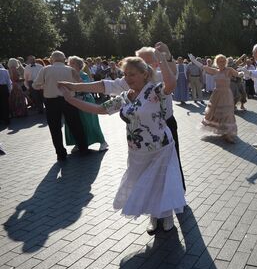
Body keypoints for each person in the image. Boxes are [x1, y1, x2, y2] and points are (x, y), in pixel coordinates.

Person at [60, 54, 185, 233]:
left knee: (161, 181)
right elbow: (99, 109)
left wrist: (163, 59)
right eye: (125, 74)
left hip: (160, 147)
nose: (128, 78)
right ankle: (153, 215)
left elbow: (171, 84)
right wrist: (70, 99)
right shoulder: (125, 97)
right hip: (136, 150)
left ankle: (166, 214)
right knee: (143, 183)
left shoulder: (155, 90)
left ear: (144, 74)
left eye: (132, 74)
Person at [33, 51, 89, 161]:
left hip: (51, 101)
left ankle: (61, 153)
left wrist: (44, 86)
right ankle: (83, 148)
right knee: (76, 124)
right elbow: (80, 83)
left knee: (55, 128)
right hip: (68, 99)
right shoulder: (70, 69)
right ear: (63, 59)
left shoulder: (45, 69)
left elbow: (35, 85)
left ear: (52, 59)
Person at [188, 53, 240, 143]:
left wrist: (242, 73)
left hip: (226, 95)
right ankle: (222, 131)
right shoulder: (215, 71)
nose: (222, 62)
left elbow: (237, 74)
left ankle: (228, 134)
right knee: (214, 113)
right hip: (216, 95)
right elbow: (203, 67)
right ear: (217, 62)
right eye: (220, 61)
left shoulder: (229, 70)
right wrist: (194, 60)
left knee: (227, 114)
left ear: (226, 62)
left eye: (223, 61)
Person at [64, 56, 109, 153]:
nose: (69, 66)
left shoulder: (83, 74)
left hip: (86, 100)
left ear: (78, 65)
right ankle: (79, 143)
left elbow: (86, 86)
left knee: (90, 122)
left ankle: (102, 142)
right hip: (74, 102)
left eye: (72, 64)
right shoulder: (68, 75)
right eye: (69, 63)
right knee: (77, 123)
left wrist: (77, 80)